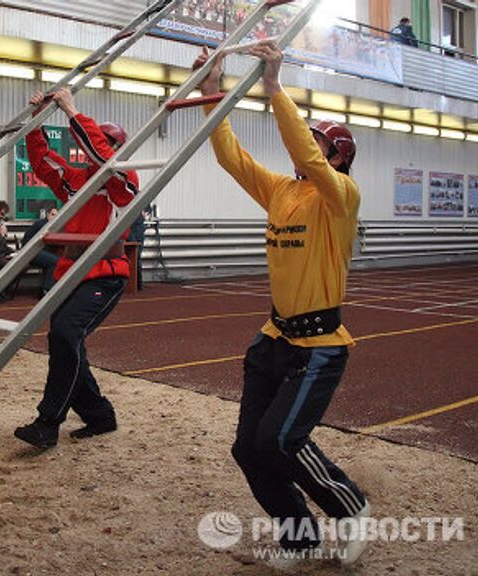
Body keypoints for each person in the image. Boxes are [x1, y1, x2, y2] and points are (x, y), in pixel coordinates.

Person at [194, 41, 369, 568]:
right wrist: (211, 92)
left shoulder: (341, 195)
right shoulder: (281, 192)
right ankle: (302, 539)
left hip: (318, 347)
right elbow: (230, 156)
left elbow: (307, 153)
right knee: (249, 449)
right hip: (273, 339)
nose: (306, 148)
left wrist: (274, 88)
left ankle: (350, 504)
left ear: (336, 156)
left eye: (317, 144)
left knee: (280, 440)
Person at [13, 87, 138, 449]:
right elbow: (42, 162)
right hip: (72, 272)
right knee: (67, 341)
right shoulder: (77, 181)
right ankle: (100, 415)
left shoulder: (124, 180)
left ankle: (48, 422)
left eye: (108, 144)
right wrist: (36, 124)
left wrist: (71, 111)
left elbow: (102, 156)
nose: (95, 151)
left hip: (106, 271)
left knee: (66, 334)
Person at [22, 207, 60, 297]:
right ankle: (47, 290)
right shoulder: (42, 225)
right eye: (53, 214)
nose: (55, 217)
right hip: (31, 252)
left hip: (35, 251)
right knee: (56, 261)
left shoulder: (49, 225)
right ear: (47, 215)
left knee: (53, 261)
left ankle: (46, 288)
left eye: (57, 216)